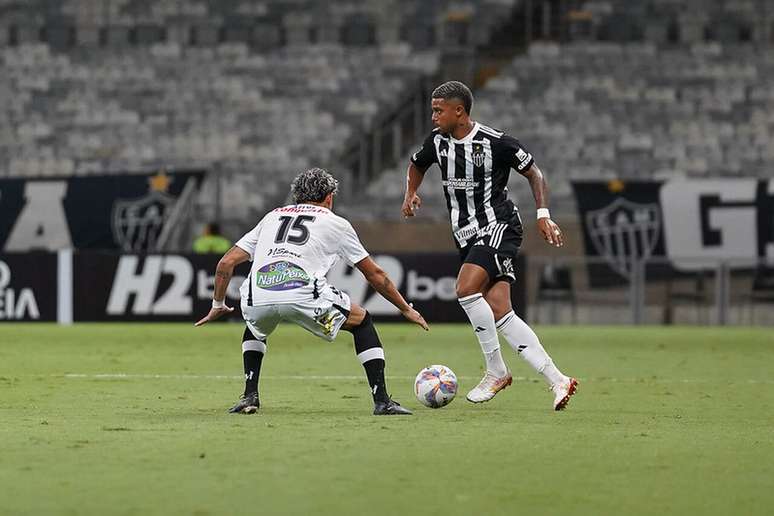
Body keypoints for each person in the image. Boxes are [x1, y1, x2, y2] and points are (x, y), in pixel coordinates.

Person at [401, 80, 578, 410]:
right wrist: (410, 193)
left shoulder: (496, 142)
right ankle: (559, 380)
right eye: (432, 110)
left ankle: (496, 370)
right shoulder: (437, 143)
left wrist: (543, 214)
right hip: (465, 235)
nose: (433, 116)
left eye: (439, 110)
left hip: (498, 226)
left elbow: (534, 173)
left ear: (460, 111)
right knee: (501, 311)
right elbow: (416, 163)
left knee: (466, 289)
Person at [196, 168, 429, 415]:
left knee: (255, 327)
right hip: (303, 294)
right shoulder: (336, 223)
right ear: (329, 197)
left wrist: (217, 304)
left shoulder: (272, 216)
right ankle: (382, 401)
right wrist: (405, 308)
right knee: (361, 321)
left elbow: (225, 263)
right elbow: (375, 275)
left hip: (257, 294)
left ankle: (249, 396)